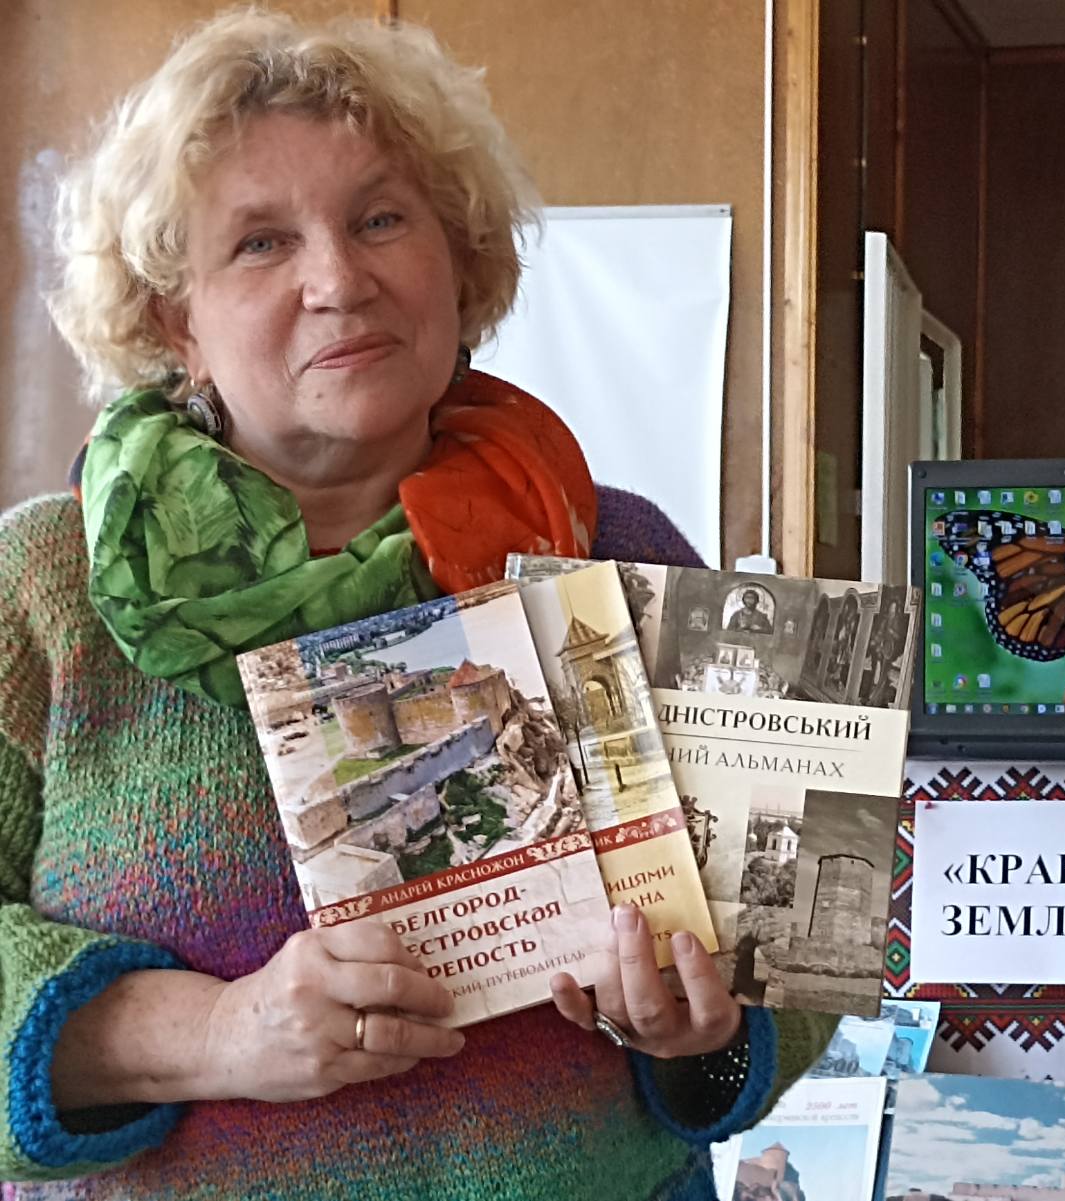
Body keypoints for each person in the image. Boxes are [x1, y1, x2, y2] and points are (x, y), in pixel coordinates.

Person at [1, 11, 832, 1199]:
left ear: (460, 262)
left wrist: (711, 1023)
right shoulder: (41, 585)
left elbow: (793, 964)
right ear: (177, 320)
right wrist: (212, 1034)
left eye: (381, 220)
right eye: (260, 241)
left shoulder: (626, 547)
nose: (339, 281)